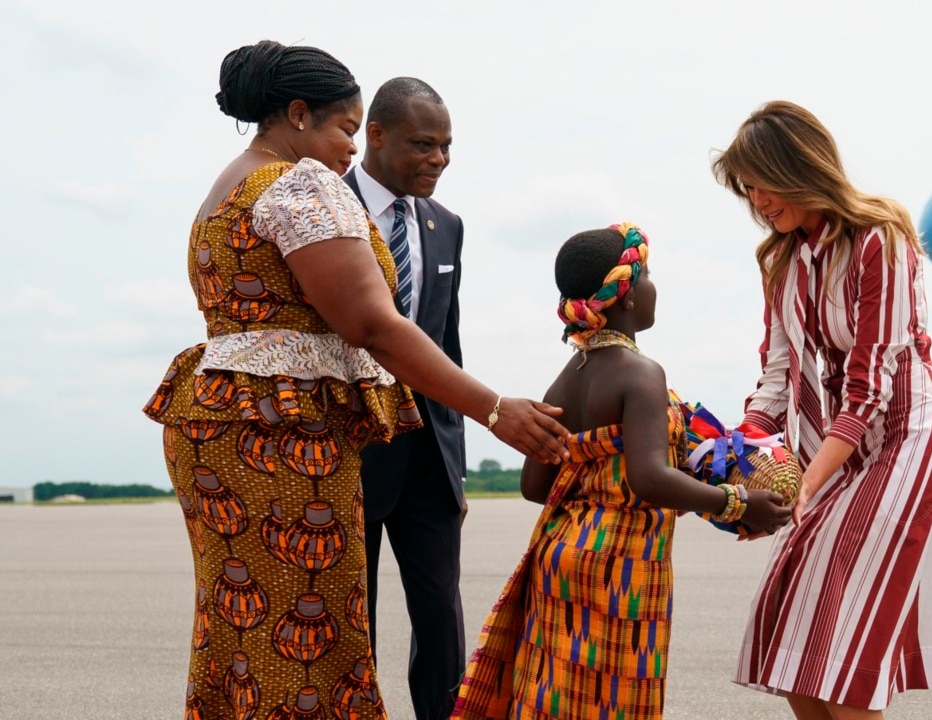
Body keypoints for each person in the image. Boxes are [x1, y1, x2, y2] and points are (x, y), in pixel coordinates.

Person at [142, 40, 569, 720]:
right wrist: (493, 408)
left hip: (221, 423)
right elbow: (370, 324)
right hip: (283, 434)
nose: (348, 150)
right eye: (346, 128)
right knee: (308, 632)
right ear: (300, 115)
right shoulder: (301, 183)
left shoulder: (223, 187)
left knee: (245, 628)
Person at [450, 224, 792, 720]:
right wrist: (738, 503)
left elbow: (533, 486)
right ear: (626, 296)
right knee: (616, 703)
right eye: (647, 274)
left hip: (560, 556)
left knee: (556, 698)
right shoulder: (641, 373)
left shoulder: (566, 379)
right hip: (622, 566)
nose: (654, 286)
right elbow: (649, 477)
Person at [711, 101, 932, 719]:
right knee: (792, 633)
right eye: (747, 190)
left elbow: (870, 386)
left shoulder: (880, 238)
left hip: (904, 438)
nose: (756, 199)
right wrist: (732, 459)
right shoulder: (782, 261)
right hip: (833, 451)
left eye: (761, 181)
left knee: (842, 649)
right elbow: (777, 377)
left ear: (796, 165)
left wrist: (805, 483)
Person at [342, 76, 467, 720]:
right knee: (349, 615)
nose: (438, 160)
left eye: (446, 147)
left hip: (428, 454)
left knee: (441, 617)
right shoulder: (323, 207)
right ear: (377, 134)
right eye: (423, 144)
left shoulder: (447, 225)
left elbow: (447, 345)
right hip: (349, 446)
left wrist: (456, 462)